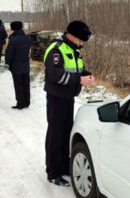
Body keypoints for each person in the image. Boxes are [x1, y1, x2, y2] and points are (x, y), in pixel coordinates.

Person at [43, 20, 95, 186]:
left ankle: (64, 166)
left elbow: (77, 69)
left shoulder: (74, 49)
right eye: (80, 40)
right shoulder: (56, 50)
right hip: (56, 98)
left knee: (66, 134)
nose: (81, 44)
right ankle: (52, 171)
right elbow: (56, 75)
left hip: (68, 98)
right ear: (71, 36)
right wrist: (79, 79)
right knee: (55, 135)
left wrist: (87, 75)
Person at [5, 21, 33, 109]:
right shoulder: (28, 38)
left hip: (16, 65)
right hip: (25, 64)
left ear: (13, 28)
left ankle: (20, 103)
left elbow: (9, 53)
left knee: (18, 85)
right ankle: (27, 102)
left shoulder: (13, 40)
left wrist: (7, 62)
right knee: (26, 84)